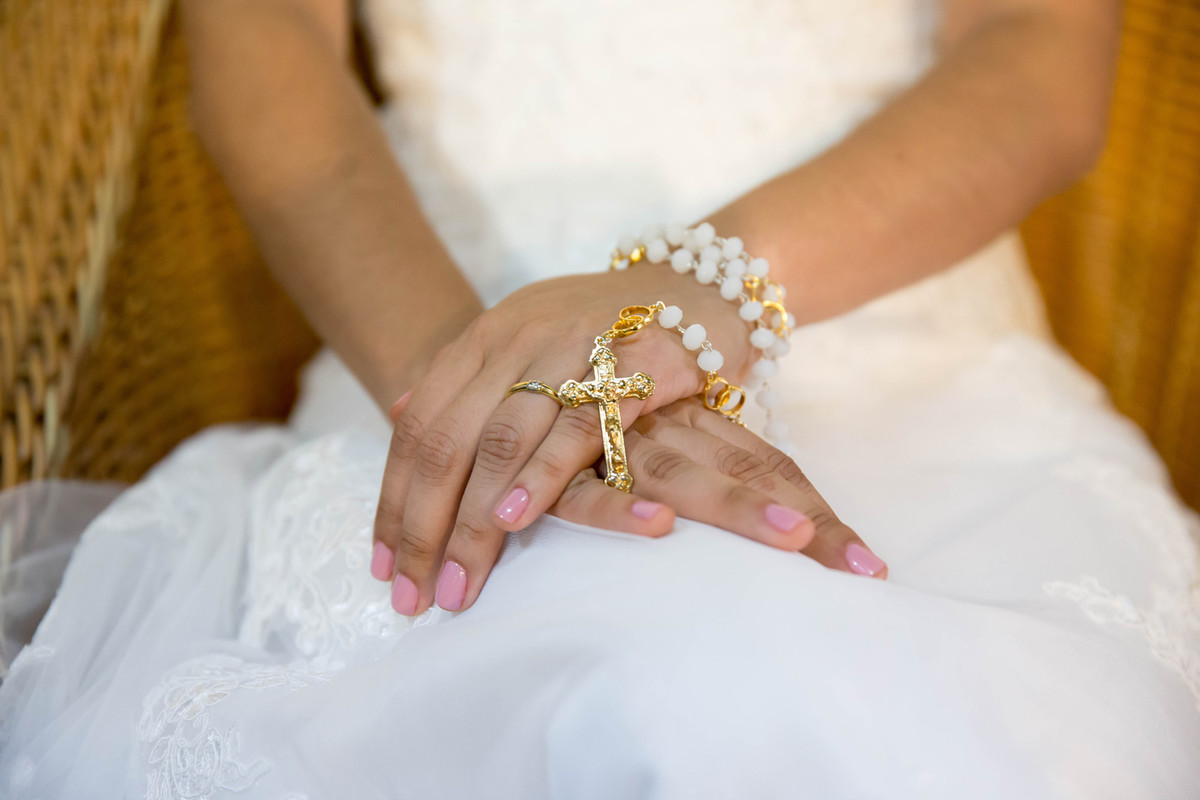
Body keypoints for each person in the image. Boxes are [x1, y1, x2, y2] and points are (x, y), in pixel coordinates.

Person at [0, 0, 1197, 797]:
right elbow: (266, 52)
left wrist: (698, 292)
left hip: (899, 332)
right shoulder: (454, 368)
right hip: (422, 316)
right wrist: (479, 390)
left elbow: (1040, 59)